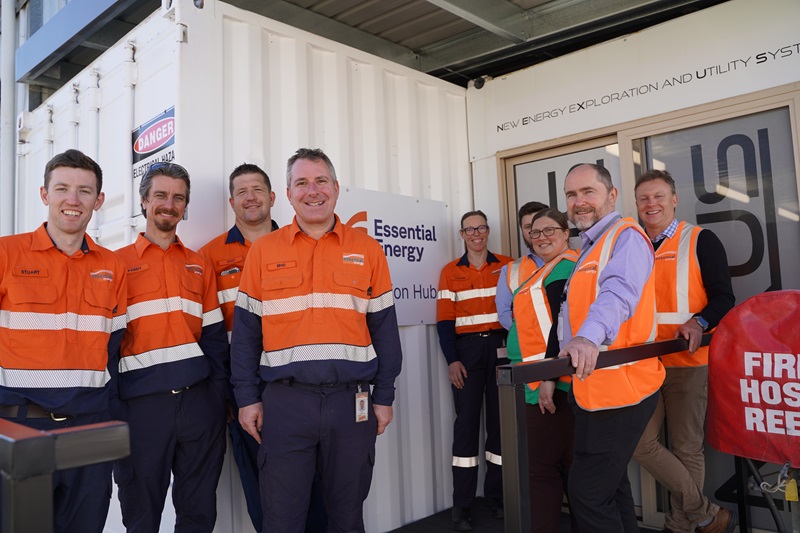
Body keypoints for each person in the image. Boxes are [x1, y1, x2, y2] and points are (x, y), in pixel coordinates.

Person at [231, 148, 403, 532]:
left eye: (321, 181)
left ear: (337, 189)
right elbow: (245, 337)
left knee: (346, 517)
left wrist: (385, 396)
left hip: (352, 404)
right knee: (282, 518)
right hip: (285, 405)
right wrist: (247, 398)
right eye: (302, 183)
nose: (313, 191)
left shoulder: (367, 250)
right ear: (288, 194)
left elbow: (385, 331)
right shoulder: (263, 252)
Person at [0, 149, 127, 532]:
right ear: (44, 194)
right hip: (21, 426)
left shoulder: (113, 266)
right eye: (62, 189)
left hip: (90, 427)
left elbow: (115, 349)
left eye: (85, 191)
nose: (73, 200)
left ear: (98, 200)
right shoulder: (7, 253)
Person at [198, 163, 326, 533]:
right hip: (247, 388)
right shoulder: (210, 256)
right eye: (242, 191)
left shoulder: (300, 244)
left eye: (258, 189)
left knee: (315, 480)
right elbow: (208, 332)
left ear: (273, 197)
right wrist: (229, 391)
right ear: (231, 201)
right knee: (261, 484)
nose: (250, 197)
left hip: (298, 385)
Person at [114, 162, 229, 532]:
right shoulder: (115, 265)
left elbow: (213, 339)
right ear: (144, 201)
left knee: (198, 513)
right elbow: (106, 343)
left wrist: (216, 398)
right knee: (141, 513)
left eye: (179, 197)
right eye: (161, 195)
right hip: (142, 410)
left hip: (199, 405)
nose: (170, 204)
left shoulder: (198, 265)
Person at [558, 163, 665, 533]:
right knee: (610, 486)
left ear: (612, 195)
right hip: (594, 390)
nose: (579, 202)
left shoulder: (626, 237)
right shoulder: (590, 246)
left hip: (623, 390)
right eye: (572, 195)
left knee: (587, 493)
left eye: (588, 192)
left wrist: (588, 337)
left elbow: (618, 292)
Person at [631, 170, 736, 533]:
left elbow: (724, 297)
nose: (651, 204)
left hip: (688, 363)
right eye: (644, 198)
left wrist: (700, 322)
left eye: (659, 196)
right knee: (638, 443)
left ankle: (679, 525)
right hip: (643, 363)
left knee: (687, 447)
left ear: (674, 200)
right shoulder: (633, 245)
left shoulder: (700, 239)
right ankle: (705, 513)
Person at [437, 210, 512, 531]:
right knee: (465, 428)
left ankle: (498, 499)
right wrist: (452, 360)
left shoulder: (507, 265)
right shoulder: (450, 272)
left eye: (481, 228)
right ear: (462, 234)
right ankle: (462, 507)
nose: (476, 234)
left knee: (499, 428)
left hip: (502, 350)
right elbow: (444, 322)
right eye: (470, 229)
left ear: (488, 230)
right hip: (466, 355)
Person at [506, 208, 578, 533]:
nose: (542, 237)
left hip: (551, 386)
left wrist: (548, 377)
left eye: (550, 230)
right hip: (546, 381)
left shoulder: (564, 268)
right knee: (565, 467)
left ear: (566, 233)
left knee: (541, 470)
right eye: (535, 233)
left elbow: (561, 326)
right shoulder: (547, 269)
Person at [496, 201, 549, 331]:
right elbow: (504, 315)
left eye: (538, 224)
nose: (534, 231)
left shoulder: (575, 260)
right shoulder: (510, 270)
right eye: (528, 226)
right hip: (531, 347)